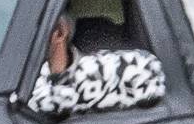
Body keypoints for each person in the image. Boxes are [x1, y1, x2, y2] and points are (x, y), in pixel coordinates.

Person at [29, 12, 166, 117]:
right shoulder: (21, 80)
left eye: (29, 30)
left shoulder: (102, 73)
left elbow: (149, 72)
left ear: (60, 32)